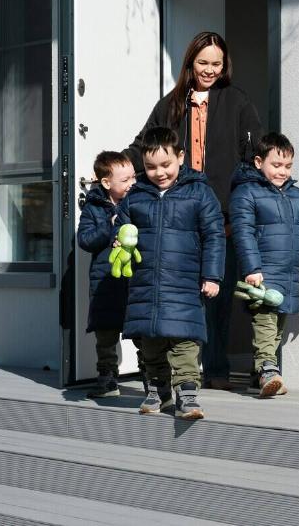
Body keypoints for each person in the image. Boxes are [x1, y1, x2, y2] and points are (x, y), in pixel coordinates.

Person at [125, 31, 261, 390]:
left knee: (218, 297)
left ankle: (215, 371)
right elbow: (143, 146)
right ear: (190, 62)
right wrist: (118, 168)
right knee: (181, 297)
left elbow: (254, 155)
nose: (210, 70)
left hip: (222, 219)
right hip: (179, 215)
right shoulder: (170, 105)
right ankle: (178, 373)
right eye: (203, 62)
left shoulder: (237, 101)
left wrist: (242, 197)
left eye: (217, 63)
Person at [117, 127, 225, 419]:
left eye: (165, 165)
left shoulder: (199, 192)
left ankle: (187, 393)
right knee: (150, 340)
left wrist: (212, 275)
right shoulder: (136, 196)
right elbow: (123, 230)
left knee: (184, 340)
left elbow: (214, 235)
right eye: (151, 167)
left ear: (180, 157)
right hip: (146, 282)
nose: (159, 172)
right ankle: (159, 389)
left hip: (184, 282)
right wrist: (120, 241)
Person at [229, 132, 299, 398]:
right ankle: (268, 370)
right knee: (265, 322)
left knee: (277, 326)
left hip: (287, 272)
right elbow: (243, 233)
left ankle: (259, 374)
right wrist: (251, 269)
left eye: (288, 166)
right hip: (262, 272)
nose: (282, 171)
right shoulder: (246, 192)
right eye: (276, 165)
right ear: (259, 162)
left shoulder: (297, 196)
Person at [77, 151, 138, 398]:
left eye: (133, 177)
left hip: (133, 279)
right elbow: (85, 240)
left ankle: (152, 377)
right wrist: (108, 226)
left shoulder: (137, 202)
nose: (132, 183)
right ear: (106, 183)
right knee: (105, 333)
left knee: (141, 331)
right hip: (104, 281)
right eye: (125, 180)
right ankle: (107, 378)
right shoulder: (93, 208)